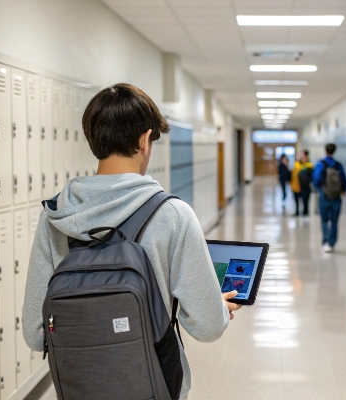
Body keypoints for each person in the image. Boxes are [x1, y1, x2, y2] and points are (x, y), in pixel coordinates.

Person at [22, 83, 241, 400]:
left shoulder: (55, 216)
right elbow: (207, 327)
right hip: (154, 386)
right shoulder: (173, 214)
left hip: (80, 387)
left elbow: (35, 332)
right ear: (144, 141)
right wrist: (217, 308)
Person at [313, 143, 346, 252]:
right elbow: (344, 179)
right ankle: (331, 244)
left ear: (325, 150)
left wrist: (320, 189)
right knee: (334, 221)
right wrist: (343, 190)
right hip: (336, 197)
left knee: (324, 220)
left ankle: (325, 241)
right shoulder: (338, 165)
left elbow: (316, 179)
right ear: (334, 151)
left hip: (324, 196)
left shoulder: (321, 164)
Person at [290, 150, 314, 216]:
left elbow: (311, 177)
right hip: (296, 186)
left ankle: (305, 212)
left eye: (303, 156)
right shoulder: (296, 164)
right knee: (296, 200)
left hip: (305, 187)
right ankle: (297, 212)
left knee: (305, 201)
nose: (301, 157)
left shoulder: (309, 166)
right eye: (300, 156)